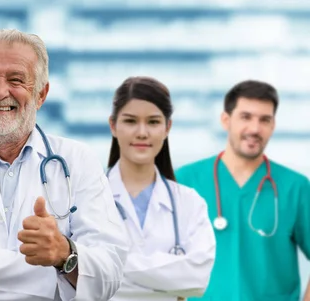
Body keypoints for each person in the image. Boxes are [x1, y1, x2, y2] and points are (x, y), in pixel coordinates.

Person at [0, 29, 129, 301]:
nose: (0, 91)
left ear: (41, 94)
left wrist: (63, 252)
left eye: (16, 80)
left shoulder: (78, 160)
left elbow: (109, 273)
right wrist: (60, 271)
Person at [176, 80, 310, 301]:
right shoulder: (187, 180)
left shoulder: (295, 188)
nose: (255, 129)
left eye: (264, 120)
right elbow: (161, 257)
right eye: (245, 117)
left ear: (273, 125)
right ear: (226, 120)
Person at [105, 76, 216, 300]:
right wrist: (169, 276)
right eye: (130, 121)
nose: (142, 132)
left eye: (153, 122)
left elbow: (197, 280)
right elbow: (75, 277)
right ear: (113, 126)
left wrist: (110, 266)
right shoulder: (87, 199)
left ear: (167, 128)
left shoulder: (189, 203)